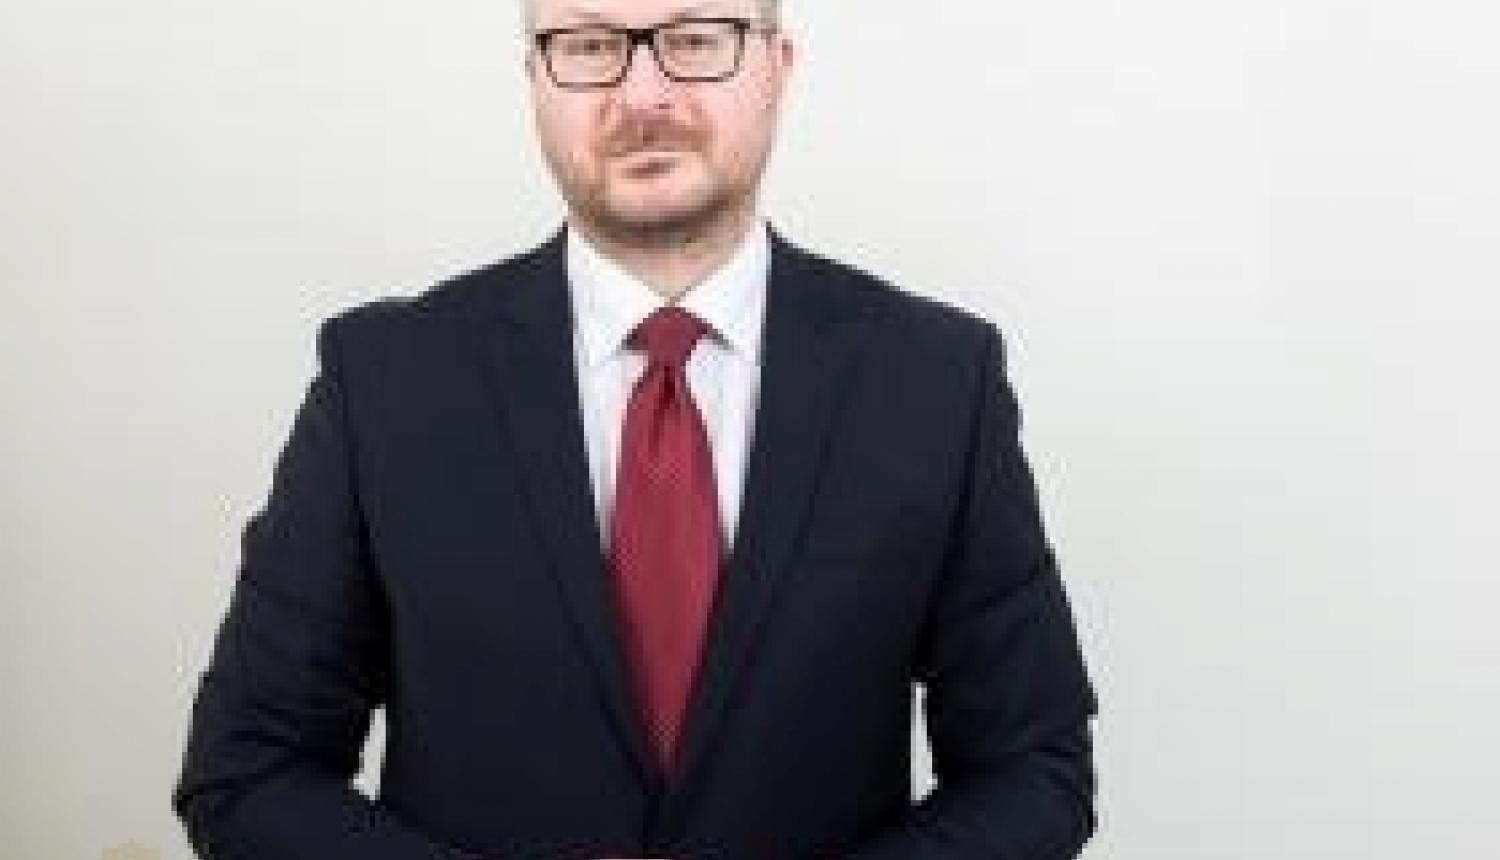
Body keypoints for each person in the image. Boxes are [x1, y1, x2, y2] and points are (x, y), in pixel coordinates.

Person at [170, 1, 1100, 859]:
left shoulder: (936, 379)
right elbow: (247, 771)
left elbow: (1035, 771)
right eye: (589, 46)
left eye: (695, 39)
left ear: (778, 67)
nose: (643, 94)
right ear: (534, 80)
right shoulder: (384, 381)